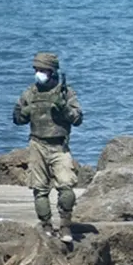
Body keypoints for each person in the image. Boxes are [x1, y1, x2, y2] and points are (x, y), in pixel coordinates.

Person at [12, 52, 83, 242]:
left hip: (59, 145)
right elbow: (17, 118)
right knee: (39, 189)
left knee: (66, 188)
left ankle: (66, 226)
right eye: (36, 70)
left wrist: (64, 108)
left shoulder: (65, 93)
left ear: (52, 71)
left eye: (42, 70)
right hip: (37, 144)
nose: (38, 73)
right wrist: (25, 112)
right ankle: (46, 226)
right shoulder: (30, 93)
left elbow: (78, 119)